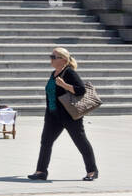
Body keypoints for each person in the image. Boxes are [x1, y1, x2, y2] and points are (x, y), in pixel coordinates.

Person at [28, 46, 98, 182]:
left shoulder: (69, 73)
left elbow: (81, 90)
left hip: (69, 116)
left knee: (81, 142)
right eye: (51, 56)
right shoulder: (53, 73)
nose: (51, 59)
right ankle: (41, 171)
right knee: (46, 142)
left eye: (53, 57)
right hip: (52, 116)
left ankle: (92, 171)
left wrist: (65, 85)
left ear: (63, 59)